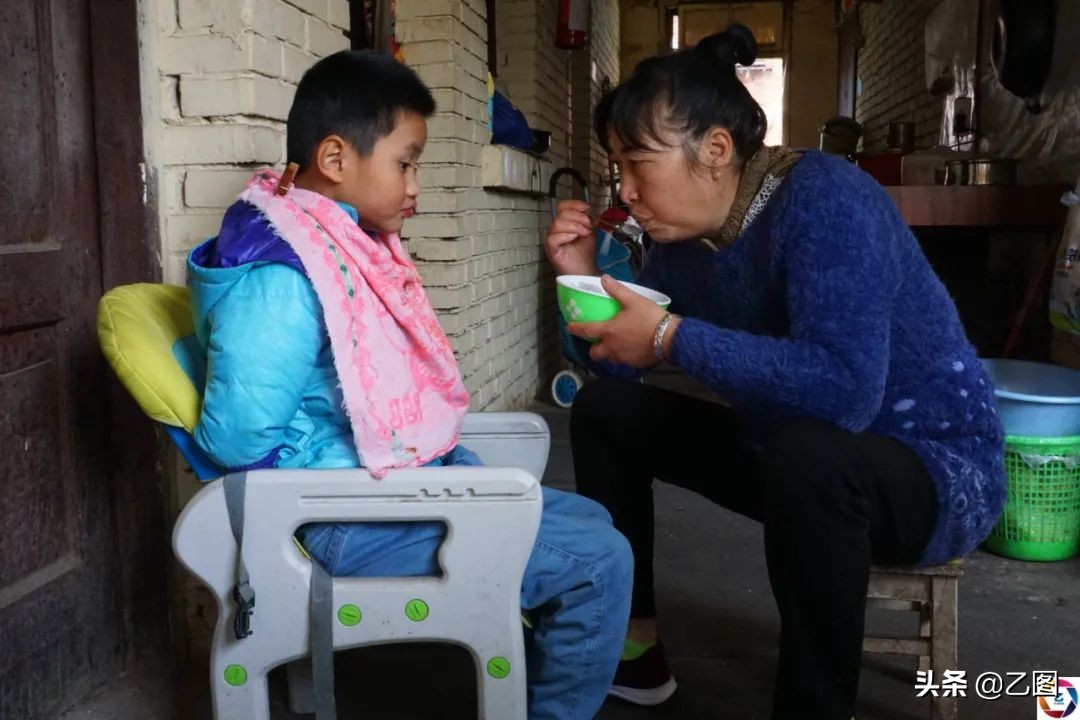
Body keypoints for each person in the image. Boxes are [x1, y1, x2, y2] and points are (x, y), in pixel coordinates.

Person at [544, 24, 1005, 720]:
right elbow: (623, 367)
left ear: (716, 151)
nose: (627, 191)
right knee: (608, 414)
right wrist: (580, 282)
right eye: (617, 169)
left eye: (639, 165)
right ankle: (637, 652)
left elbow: (846, 394)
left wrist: (669, 336)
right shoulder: (685, 244)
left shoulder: (827, 199)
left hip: (932, 473)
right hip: (793, 460)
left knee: (811, 448)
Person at [186, 49, 633, 720]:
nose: (415, 184)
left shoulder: (328, 243)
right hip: (335, 518)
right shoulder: (280, 277)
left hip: (370, 493)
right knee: (599, 560)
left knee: (594, 526)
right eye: (405, 163)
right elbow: (240, 437)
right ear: (336, 160)